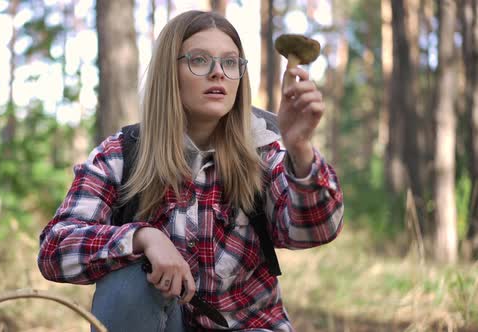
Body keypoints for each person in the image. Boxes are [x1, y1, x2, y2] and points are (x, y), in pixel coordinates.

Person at [37, 10, 344, 332]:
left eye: (230, 62)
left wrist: (301, 149)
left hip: (246, 326)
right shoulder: (121, 155)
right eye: (199, 60)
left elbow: (313, 231)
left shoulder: (265, 153)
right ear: (169, 72)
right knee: (126, 284)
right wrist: (143, 238)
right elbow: (55, 248)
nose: (218, 74)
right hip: (160, 323)